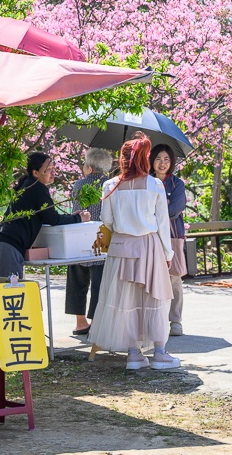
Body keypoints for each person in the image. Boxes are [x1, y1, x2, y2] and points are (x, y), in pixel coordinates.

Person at [88, 134, 180, 371]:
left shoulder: (110, 186)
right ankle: (159, 353)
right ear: (143, 158)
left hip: (120, 248)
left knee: (125, 301)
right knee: (155, 298)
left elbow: (106, 221)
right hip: (148, 246)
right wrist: (168, 254)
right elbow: (161, 224)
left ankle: (133, 354)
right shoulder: (154, 184)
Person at [0, 152, 91, 279]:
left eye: (53, 168)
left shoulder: (26, 185)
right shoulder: (37, 187)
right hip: (8, 248)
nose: (53, 172)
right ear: (35, 173)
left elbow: (46, 215)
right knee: (8, 293)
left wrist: (71, 217)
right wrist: (79, 218)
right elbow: (52, 218)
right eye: (48, 169)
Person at [65, 147, 113, 336]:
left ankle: (80, 322)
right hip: (102, 235)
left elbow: (77, 209)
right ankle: (96, 321)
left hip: (80, 235)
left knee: (77, 278)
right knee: (99, 280)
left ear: (90, 169)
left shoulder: (79, 185)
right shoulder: (109, 185)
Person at [150, 143, 188, 337]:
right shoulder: (145, 181)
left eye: (166, 159)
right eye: (158, 159)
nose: (162, 163)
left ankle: (175, 321)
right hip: (150, 237)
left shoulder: (177, 184)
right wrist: (162, 204)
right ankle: (155, 321)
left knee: (174, 278)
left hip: (173, 236)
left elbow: (174, 210)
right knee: (150, 279)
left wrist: (159, 207)